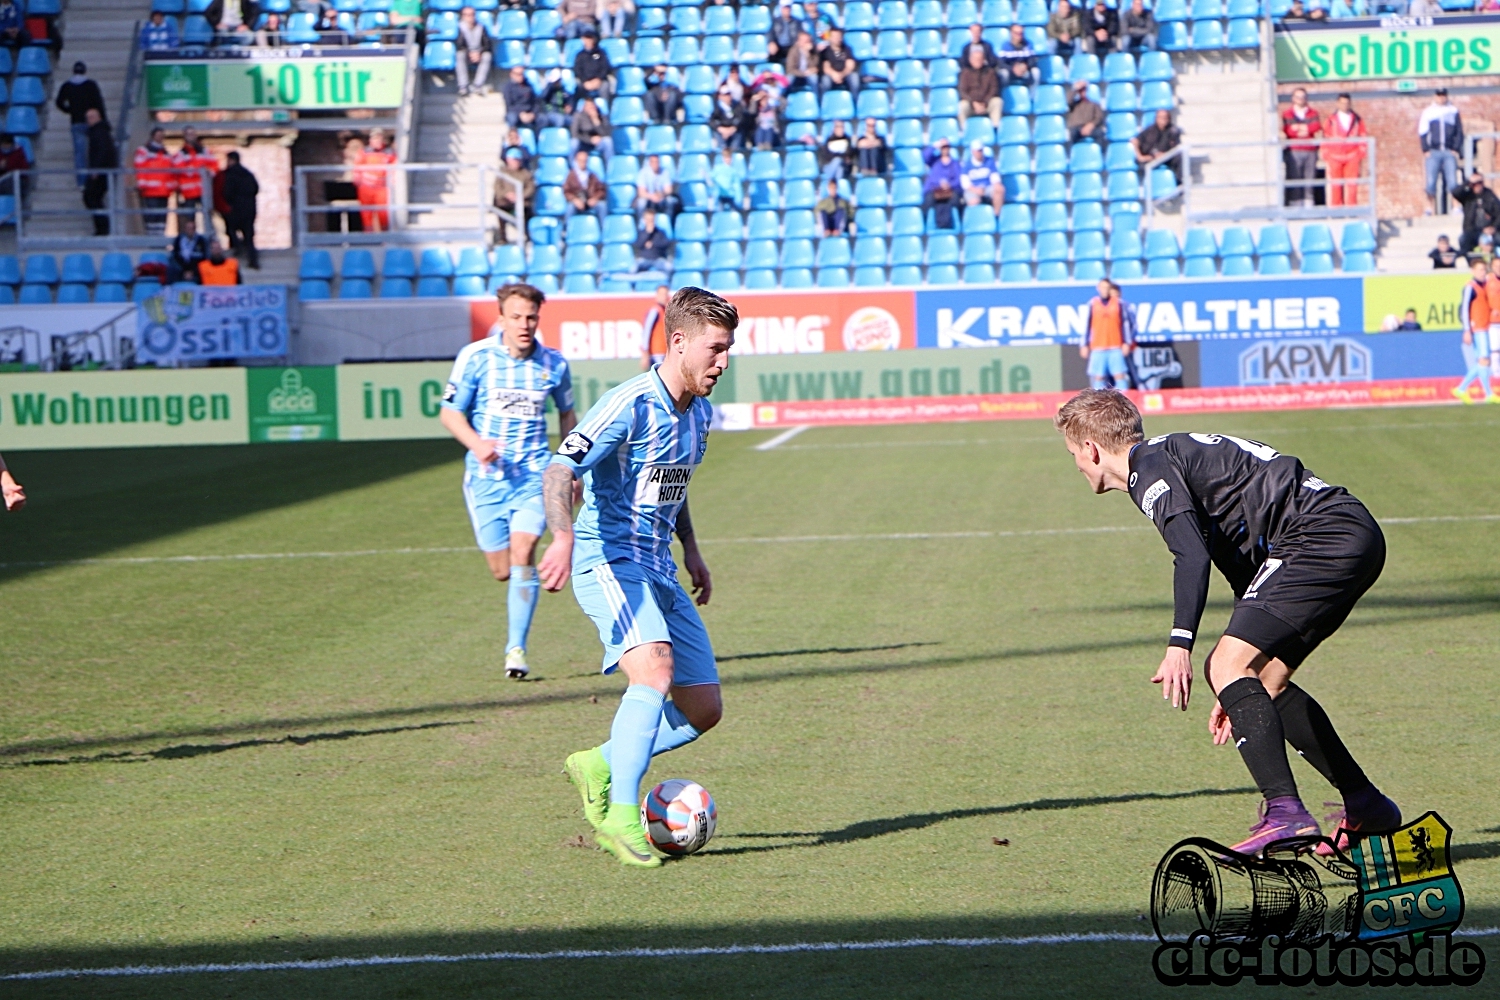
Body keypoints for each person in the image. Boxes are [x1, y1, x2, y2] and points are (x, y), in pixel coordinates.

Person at [1053, 389, 1402, 857]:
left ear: (1091, 449)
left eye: (1073, 452)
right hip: (1346, 534)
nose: (1075, 463)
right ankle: (1367, 804)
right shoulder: (1172, 456)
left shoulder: (1150, 470)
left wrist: (1184, 646)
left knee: (1229, 665)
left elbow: (1190, 555)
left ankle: (1285, 813)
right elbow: (1246, 571)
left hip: (1319, 536)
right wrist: (1240, 689)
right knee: (1264, 683)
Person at [543, 286, 738, 868]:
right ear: (678, 342)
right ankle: (622, 819)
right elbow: (560, 468)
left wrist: (693, 550)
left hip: (659, 566)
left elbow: (673, 489)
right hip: (608, 559)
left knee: (703, 708)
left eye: (729, 351)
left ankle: (599, 762)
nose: (723, 363)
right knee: (653, 670)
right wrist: (561, 533)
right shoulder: (629, 403)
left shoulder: (698, 414)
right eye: (716, 350)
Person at [440, 283, 576, 681]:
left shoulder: (554, 364)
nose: (524, 324)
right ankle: (515, 629)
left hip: (534, 477)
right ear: (501, 319)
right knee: (502, 569)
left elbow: (568, 415)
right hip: (486, 481)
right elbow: (450, 414)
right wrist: (478, 444)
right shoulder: (476, 358)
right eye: (515, 317)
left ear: (539, 318)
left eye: (531, 317)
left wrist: (570, 467)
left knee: (524, 549)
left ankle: (515, 649)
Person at [56, 63, 107, 190]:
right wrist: (103, 120)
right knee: (95, 151)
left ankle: (82, 182)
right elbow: (99, 103)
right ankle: (95, 179)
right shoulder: (91, 85)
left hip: (76, 122)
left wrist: (70, 110)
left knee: (80, 153)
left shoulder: (67, 85)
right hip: (92, 123)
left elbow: (59, 102)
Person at [1081, 278, 1135, 389]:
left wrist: (1126, 342)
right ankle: (1098, 403)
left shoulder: (1119, 304)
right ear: (1098, 288)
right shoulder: (1092, 304)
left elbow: (1125, 324)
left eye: (1107, 288)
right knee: (1098, 377)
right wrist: (1084, 344)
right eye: (1103, 287)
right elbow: (1086, 325)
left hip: (1115, 346)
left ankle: (1123, 402)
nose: (1105, 290)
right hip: (1098, 346)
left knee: (1119, 376)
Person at [1454, 256, 1494, 402]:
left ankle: (1464, 390)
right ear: (1473, 271)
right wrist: (1466, 330)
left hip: (1484, 325)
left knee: (1483, 361)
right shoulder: (1470, 287)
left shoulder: (1485, 285)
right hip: (1477, 327)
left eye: (1484, 269)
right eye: (1479, 270)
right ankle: (1468, 389)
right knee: (1483, 360)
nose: (1482, 272)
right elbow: (1465, 309)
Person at [1419, 88, 1463, 216]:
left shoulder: (1453, 110)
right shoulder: (1428, 112)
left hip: (1449, 151)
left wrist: (1455, 148)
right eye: (1439, 95)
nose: (1441, 98)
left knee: (1453, 182)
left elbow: (1459, 131)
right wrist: (1426, 149)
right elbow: (1423, 132)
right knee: (1431, 182)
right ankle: (1428, 208)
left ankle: (1456, 207)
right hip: (1433, 151)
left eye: (1443, 95)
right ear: (1435, 96)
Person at [1321, 93, 1367, 207]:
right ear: (1337, 103)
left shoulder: (1357, 119)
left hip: (1352, 156)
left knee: (1352, 186)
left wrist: (1360, 154)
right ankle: (1337, 212)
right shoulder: (1331, 120)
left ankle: (1351, 212)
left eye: (1347, 103)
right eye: (1342, 103)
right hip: (1335, 157)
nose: (1344, 105)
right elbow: (1325, 136)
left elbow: (1363, 136)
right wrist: (1326, 155)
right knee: (1336, 186)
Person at [1281, 87, 1321, 209]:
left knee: (1310, 178)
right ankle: (1295, 205)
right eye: (1298, 97)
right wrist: (1305, 129)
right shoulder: (1287, 114)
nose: (1300, 99)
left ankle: (1309, 204)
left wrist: (1299, 128)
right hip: (1293, 150)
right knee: (1294, 178)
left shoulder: (1313, 113)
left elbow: (1315, 127)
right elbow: (1288, 130)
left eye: (1303, 97)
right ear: (1293, 99)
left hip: (1310, 150)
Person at [220, 150, 260, 268]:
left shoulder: (229, 174)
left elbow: (227, 192)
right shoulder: (247, 174)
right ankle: (253, 261)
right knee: (248, 236)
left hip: (236, 209)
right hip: (249, 209)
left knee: (230, 229)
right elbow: (256, 189)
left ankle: (238, 248)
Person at [134, 127, 176, 237]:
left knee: (162, 218)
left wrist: (172, 186)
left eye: (162, 136)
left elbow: (170, 171)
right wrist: (142, 184)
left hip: (164, 191)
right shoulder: (144, 150)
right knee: (152, 217)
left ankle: (160, 238)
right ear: (153, 136)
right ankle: (152, 239)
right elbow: (140, 167)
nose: (160, 138)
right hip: (150, 190)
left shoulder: (166, 153)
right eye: (158, 135)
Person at [351, 130, 394, 233]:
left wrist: (392, 181)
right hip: (366, 188)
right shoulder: (364, 152)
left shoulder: (389, 153)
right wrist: (357, 180)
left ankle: (386, 239)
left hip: (382, 188)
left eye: (379, 138)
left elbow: (394, 168)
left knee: (384, 214)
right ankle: (368, 239)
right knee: (366, 215)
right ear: (370, 140)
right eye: (374, 138)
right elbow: (357, 167)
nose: (377, 141)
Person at [82, 108, 116, 235]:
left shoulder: (99, 132)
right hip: (101, 170)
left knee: (90, 197)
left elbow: (102, 152)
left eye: (90, 117)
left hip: (101, 172)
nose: (88, 121)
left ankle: (103, 228)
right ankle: (102, 227)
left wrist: (96, 169)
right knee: (92, 198)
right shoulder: (100, 132)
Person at [172, 126, 217, 221]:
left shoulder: (205, 151)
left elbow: (214, 166)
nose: (191, 136)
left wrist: (208, 173)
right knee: (190, 220)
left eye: (192, 133)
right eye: (188, 134)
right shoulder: (180, 154)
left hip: (204, 190)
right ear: (184, 136)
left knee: (208, 217)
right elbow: (177, 169)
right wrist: (193, 170)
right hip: (189, 192)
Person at [1452, 171, 1500, 254]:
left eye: (1479, 183)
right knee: (1463, 240)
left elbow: (1499, 213)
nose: (1477, 186)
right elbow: (1455, 193)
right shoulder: (1467, 196)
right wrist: (1468, 181)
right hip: (1472, 230)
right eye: (1474, 184)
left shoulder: (1489, 194)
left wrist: (1493, 227)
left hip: (1488, 230)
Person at [494, 146, 535, 238]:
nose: (516, 162)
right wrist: (507, 194)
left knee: (527, 212)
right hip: (506, 200)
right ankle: (502, 237)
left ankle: (527, 236)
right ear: (508, 160)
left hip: (522, 200)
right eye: (514, 159)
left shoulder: (525, 173)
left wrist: (520, 196)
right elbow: (497, 187)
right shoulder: (502, 172)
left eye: (518, 160)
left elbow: (530, 188)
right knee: (500, 209)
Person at [922, 137, 962, 230]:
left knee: (956, 200)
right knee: (928, 200)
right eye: (943, 146)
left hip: (950, 191)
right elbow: (924, 156)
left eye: (947, 146)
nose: (945, 149)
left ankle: (953, 225)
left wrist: (949, 185)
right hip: (934, 190)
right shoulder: (934, 161)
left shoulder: (955, 163)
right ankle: (926, 225)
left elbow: (958, 179)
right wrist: (935, 146)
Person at [1132, 108, 1182, 183]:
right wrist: (1140, 156)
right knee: (1141, 165)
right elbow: (1135, 140)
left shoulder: (1173, 131)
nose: (1163, 120)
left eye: (1165, 118)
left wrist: (1165, 155)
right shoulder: (1149, 130)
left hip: (1166, 157)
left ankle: (1178, 183)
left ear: (1169, 119)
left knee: (1179, 157)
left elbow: (1176, 148)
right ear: (1156, 118)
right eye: (1160, 117)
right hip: (1150, 157)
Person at [958, 46, 1002, 129]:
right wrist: (973, 103)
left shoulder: (990, 72)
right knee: (962, 105)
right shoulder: (965, 73)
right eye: (975, 59)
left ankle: (995, 129)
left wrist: (985, 102)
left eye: (979, 59)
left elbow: (994, 89)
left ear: (983, 59)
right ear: (970, 60)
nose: (977, 61)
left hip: (986, 103)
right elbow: (962, 91)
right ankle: (964, 131)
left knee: (997, 101)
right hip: (971, 105)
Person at [563, 148, 607, 224]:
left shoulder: (592, 175)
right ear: (576, 161)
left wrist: (595, 198)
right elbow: (566, 191)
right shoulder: (571, 175)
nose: (583, 163)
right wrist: (575, 200)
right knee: (570, 208)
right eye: (581, 161)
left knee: (602, 206)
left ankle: (604, 229)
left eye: (585, 161)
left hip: (590, 201)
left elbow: (601, 190)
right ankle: (567, 229)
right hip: (577, 201)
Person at [455, 7, 493, 97]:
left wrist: (479, 53)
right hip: (466, 53)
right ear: (463, 16)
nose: (470, 17)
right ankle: (463, 86)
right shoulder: (459, 27)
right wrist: (470, 53)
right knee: (459, 55)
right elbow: (459, 44)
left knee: (487, 56)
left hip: (479, 53)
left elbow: (487, 44)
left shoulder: (481, 27)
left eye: (472, 14)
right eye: (467, 15)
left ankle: (478, 85)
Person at [959, 140, 1004, 214]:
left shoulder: (989, 161)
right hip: (973, 189)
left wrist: (996, 185)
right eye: (977, 151)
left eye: (981, 150)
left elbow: (995, 178)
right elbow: (965, 184)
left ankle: (997, 216)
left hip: (987, 187)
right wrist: (976, 190)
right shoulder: (967, 165)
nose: (979, 153)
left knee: (1000, 190)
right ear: (973, 151)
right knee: (973, 201)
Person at [572, 30, 613, 103]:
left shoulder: (600, 53)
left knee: (605, 86)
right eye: (586, 38)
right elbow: (577, 70)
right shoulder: (580, 55)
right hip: (585, 82)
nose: (588, 41)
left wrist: (598, 80)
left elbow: (605, 68)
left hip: (599, 81)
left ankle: (605, 110)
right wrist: (584, 81)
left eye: (590, 38)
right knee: (577, 86)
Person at [167, 215, 210, 283]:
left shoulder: (201, 241)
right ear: (185, 229)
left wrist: (193, 272)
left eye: (192, 228)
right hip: (180, 271)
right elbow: (174, 256)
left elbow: (204, 258)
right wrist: (184, 272)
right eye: (188, 228)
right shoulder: (178, 240)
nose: (190, 230)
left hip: (196, 272)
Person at [570, 96, 614, 163]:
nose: (591, 108)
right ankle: (572, 168)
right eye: (588, 106)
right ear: (584, 107)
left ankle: (610, 167)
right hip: (583, 143)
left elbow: (606, 134)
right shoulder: (578, 116)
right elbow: (574, 134)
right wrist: (590, 140)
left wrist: (596, 120)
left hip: (597, 143)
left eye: (592, 106)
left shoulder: (601, 116)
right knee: (574, 143)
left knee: (608, 141)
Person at [819, 28, 859, 99]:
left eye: (839, 36)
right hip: (831, 75)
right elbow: (826, 67)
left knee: (854, 78)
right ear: (830, 38)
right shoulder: (825, 51)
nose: (837, 39)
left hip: (845, 74)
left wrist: (841, 75)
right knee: (825, 81)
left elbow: (850, 65)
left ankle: (855, 102)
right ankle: (824, 103)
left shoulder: (847, 49)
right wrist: (834, 75)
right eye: (835, 37)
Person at [635, 153, 678, 218]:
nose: (655, 164)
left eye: (657, 162)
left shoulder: (665, 172)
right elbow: (641, 192)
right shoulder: (643, 173)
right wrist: (652, 196)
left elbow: (669, 190)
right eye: (653, 162)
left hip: (661, 197)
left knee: (671, 201)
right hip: (648, 198)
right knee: (641, 203)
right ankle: (641, 224)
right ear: (650, 163)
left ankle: (668, 222)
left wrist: (661, 194)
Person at [639, 283, 670, 371]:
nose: (664, 297)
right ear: (657, 295)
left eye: (666, 294)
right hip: (656, 354)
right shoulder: (655, 311)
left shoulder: (665, 311)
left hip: (665, 353)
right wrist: (645, 353)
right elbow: (647, 331)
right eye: (662, 294)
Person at [632, 208, 672, 274]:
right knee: (633, 269)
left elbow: (666, 244)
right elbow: (638, 245)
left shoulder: (660, 232)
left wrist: (653, 243)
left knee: (669, 268)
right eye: (648, 220)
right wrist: (648, 233)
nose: (650, 222)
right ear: (644, 220)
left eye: (652, 220)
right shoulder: (641, 232)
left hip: (658, 259)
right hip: (644, 259)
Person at [997, 23, 1038, 88]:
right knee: (1003, 73)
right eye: (1017, 33)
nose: (1019, 36)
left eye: (1021, 33)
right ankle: (1004, 93)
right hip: (1010, 71)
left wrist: (1026, 66)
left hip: (1024, 71)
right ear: (1011, 33)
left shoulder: (1028, 44)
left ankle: (1032, 96)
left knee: (1035, 72)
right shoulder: (1005, 46)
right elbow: (1001, 63)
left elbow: (1033, 60)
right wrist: (1012, 69)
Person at [1066, 79, 1105, 145]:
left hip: (1090, 127)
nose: (1082, 92)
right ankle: (1071, 154)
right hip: (1076, 128)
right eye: (1080, 91)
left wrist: (1091, 125)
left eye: (1084, 90)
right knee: (1072, 134)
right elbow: (1067, 101)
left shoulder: (1094, 104)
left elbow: (1099, 117)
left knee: (1100, 134)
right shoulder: (1074, 104)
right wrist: (1075, 89)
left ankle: (1100, 153)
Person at [710, 145, 745, 210]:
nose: (728, 160)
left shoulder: (734, 171)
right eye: (726, 157)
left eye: (729, 158)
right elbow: (711, 180)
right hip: (720, 196)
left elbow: (737, 185)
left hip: (730, 196)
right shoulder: (717, 169)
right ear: (722, 158)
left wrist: (739, 198)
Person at [750, 83, 784, 150]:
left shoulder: (773, 108)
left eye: (765, 97)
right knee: (760, 129)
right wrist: (753, 100)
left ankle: (768, 146)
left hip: (773, 132)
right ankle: (760, 147)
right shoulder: (756, 109)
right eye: (761, 98)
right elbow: (751, 112)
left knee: (769, 129)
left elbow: (784, 103)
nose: (763, 100)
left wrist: (773, 97)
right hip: (760, 133)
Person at [0, 132, 31, 199]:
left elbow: (23, 170)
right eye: (3, 145)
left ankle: (12, 205)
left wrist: (6, 166)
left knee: (9, 184)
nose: (5, 146)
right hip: (2, 179)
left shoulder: (18, 152)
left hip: (18, 180)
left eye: (7, 144)